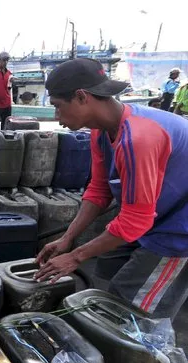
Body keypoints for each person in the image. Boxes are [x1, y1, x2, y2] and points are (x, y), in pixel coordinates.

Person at [35, 58, 188, 321]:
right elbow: (99, 190)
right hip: (154, 214)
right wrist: (68, 239)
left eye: (58, 107)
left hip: (178, 227)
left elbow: (135, 220)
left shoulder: (138, 138)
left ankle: (151, 359)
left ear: (82, 97)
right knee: (108, 271)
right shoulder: (101, 131)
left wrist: (75, 257)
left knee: (135, 310)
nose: (56, 118)